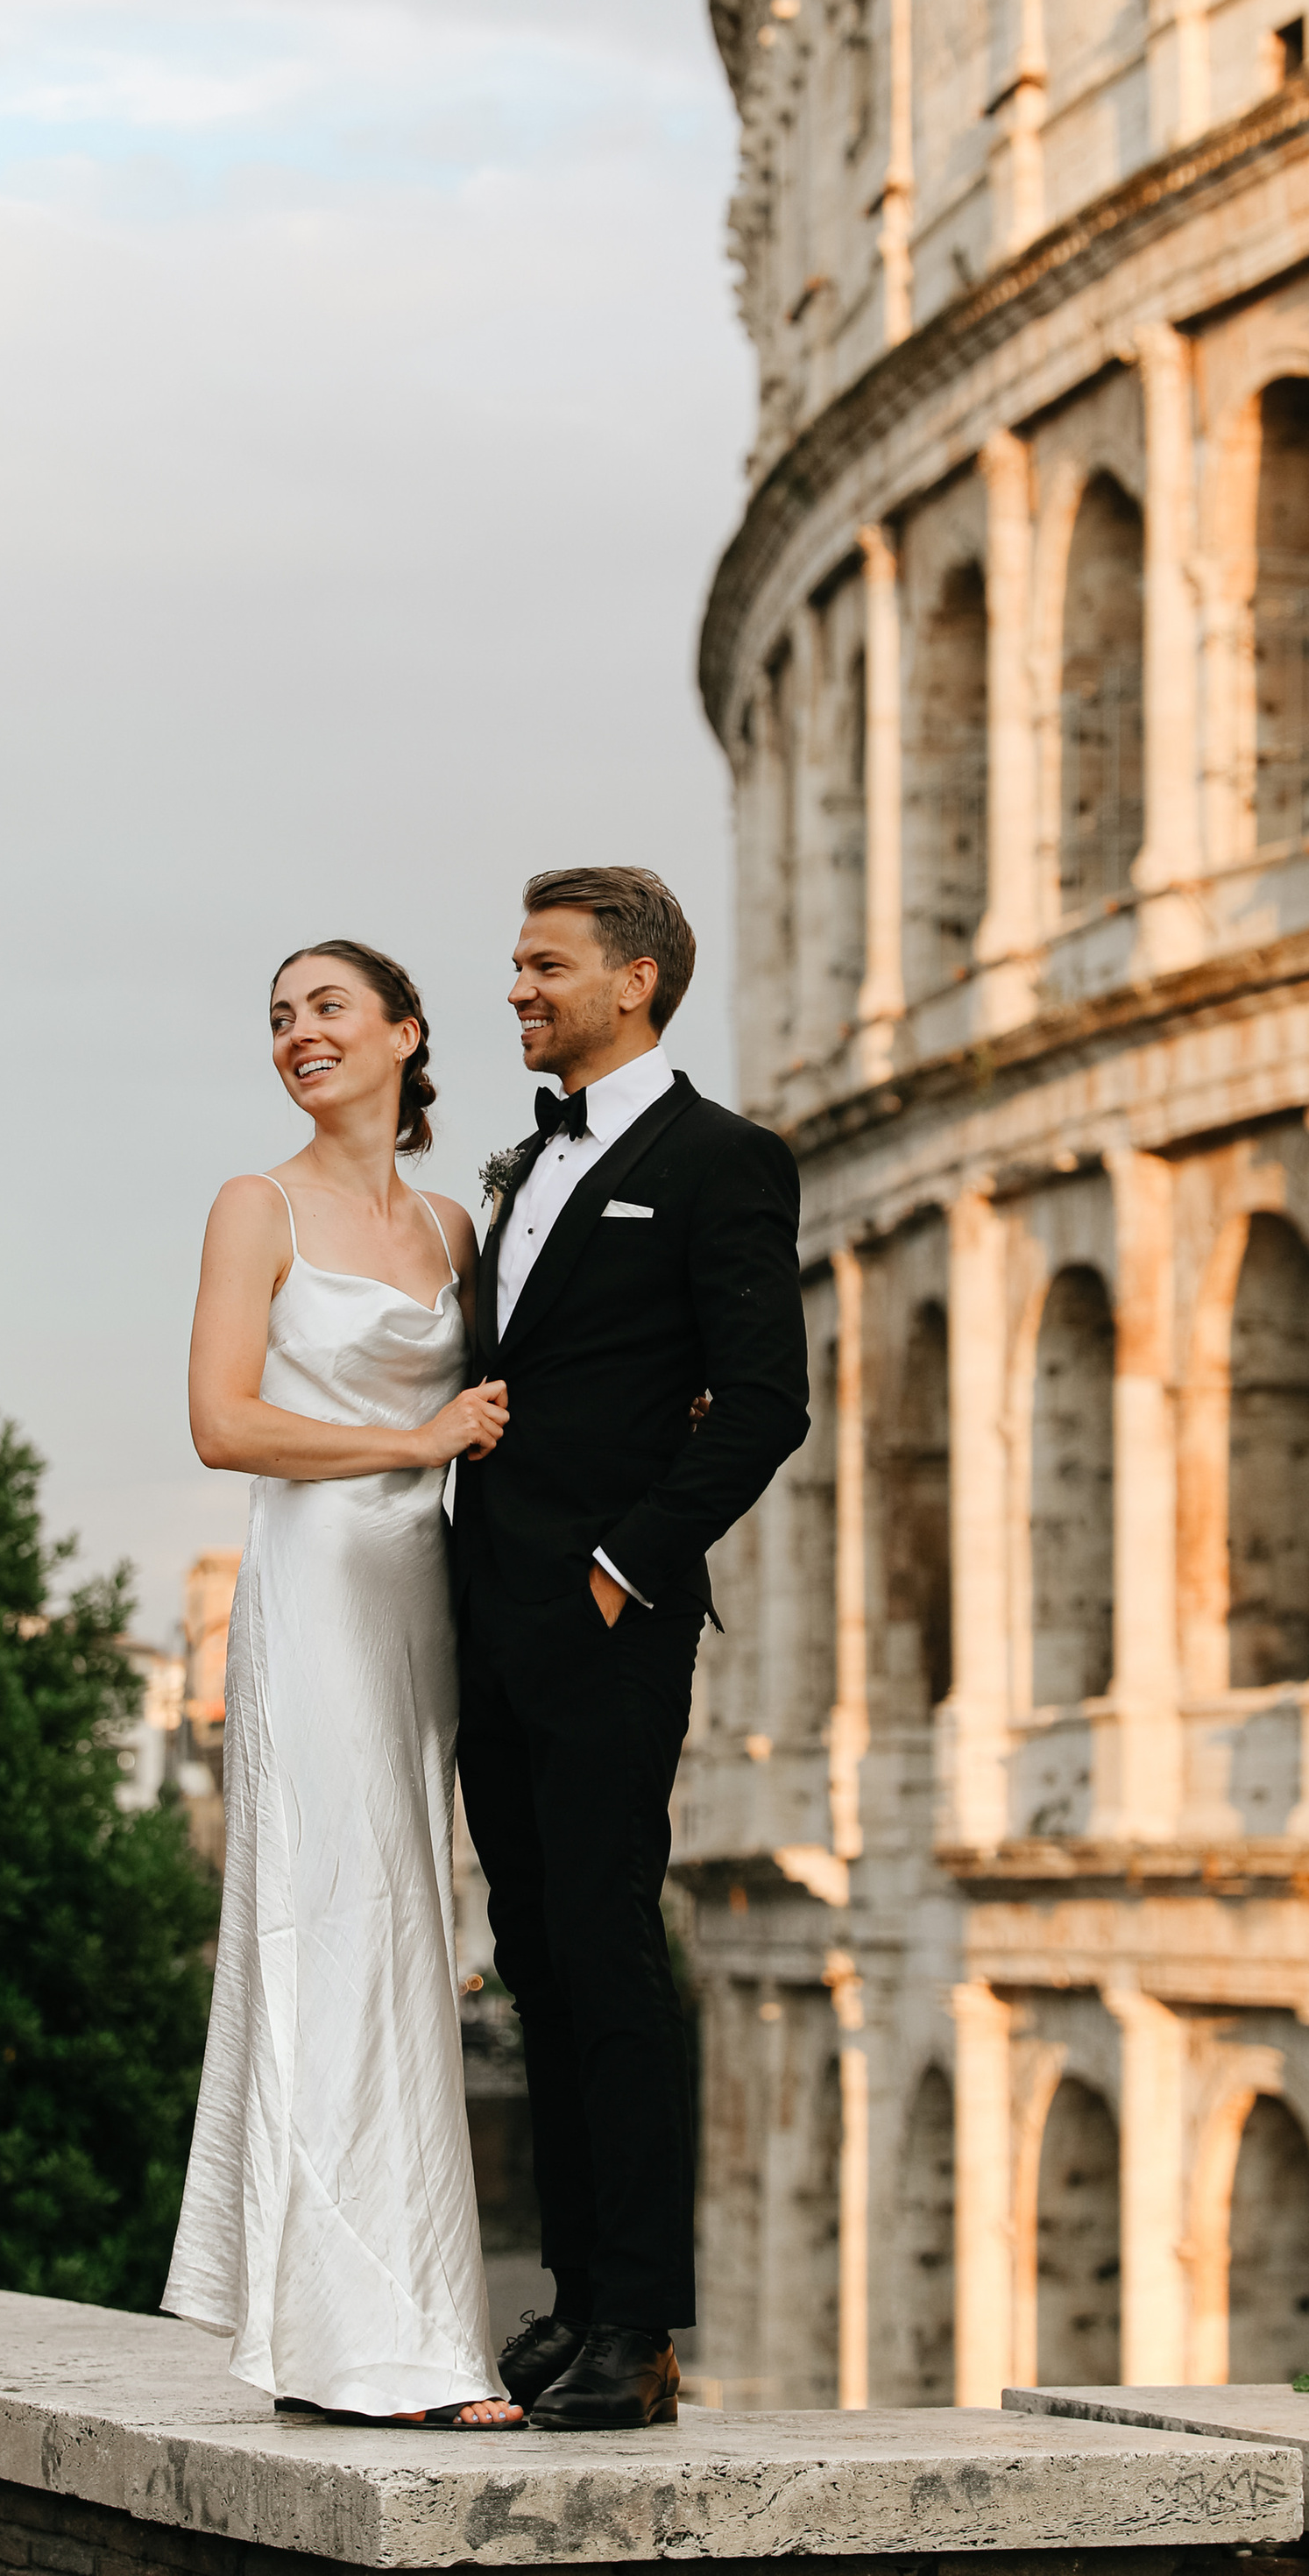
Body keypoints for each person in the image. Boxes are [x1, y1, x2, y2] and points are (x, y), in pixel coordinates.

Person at [454, 866, 808, 2432]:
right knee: (533, 1957)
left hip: (605, 1622)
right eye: (517, 968)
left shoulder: (729, 1162)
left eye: (545, 967)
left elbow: (766, 1403)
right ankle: (579, 2301)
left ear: (637, 982)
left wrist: (622, 1568)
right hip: (486, 1618)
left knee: (608, 1958)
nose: (519, 991)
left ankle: (644, 2332)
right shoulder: (526, 1160)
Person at [163, 939, 521, 2427]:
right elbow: (222, 1424)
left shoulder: (452, 1222)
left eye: (324, 1009)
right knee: (327, 1929)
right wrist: (414, 1443)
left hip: (416, 1601)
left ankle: (372, 2327)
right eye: (276, 1019)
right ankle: (376, 2347)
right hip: (310, 1594)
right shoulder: (258, 1204)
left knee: (409, 1932)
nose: (297, 1036)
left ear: (404, 1032)